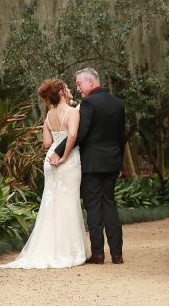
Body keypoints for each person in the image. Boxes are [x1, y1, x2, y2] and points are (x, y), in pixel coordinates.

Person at [0, 79, 89, 269]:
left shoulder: (48, 115)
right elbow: (72, 135)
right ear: (62, 93)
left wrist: (55, 145)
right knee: (69, 202)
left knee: (52, 204)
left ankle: (50, 248)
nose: (70, 89)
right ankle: (70, 251)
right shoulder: (73, 112)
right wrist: (64, 156)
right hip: (67, 160)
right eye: (66, 87)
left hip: (50, 160)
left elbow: (46, 143)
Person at [49, 68, 126, 264]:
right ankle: (117, 255)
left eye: (79, 84)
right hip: (112, 163)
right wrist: (120, 164)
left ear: (90, 82)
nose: (78, 88)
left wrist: (57, 151)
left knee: (93, 207)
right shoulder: (118, 104)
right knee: (109, 204)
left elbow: (80, 133)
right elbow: (121, 137)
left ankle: (98, 254)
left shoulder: (89, 103)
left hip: (92, 163)